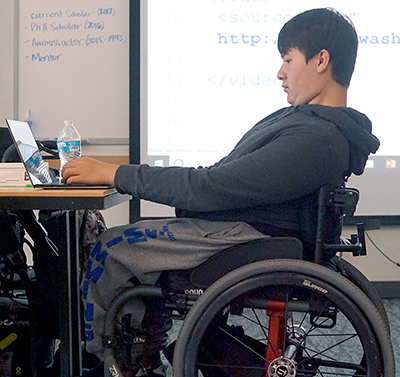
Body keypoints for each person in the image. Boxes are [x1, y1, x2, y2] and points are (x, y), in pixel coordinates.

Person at [62, 8, 379, 377]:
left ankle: (99, 361)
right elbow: (220, 181)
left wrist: (116, 174)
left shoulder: (316, 137)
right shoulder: (306, 123)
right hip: (244, 227)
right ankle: (143, 346)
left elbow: (211, 187)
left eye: (287, 59)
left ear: (321, 60)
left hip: (248, 234)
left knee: (111, 248)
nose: (280, 72)